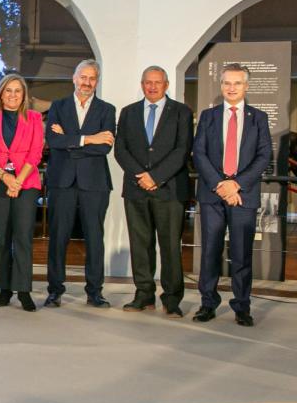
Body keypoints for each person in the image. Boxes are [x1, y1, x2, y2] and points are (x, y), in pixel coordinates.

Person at [192, 63, 271, 327]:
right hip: (213, 195)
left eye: (237, 83)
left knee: (241, 254)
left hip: (243, 196)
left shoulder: (258, 118)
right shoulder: (208, 116)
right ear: (221, 85)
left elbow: (264, 156)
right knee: (210, 252)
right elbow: (199, 153)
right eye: (227, 83)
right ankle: (207, 304)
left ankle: (242, 306)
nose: (231, 88)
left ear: (246, 87)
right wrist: (221, 185)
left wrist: (236, 185)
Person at [113, 66, 193, 318]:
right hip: (136, 190)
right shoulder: (128, 113)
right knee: (140, 245)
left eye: (157, 82)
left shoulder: (181, 112)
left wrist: (155, 177)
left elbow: (182, 150)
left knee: (169, 246)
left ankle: (171, 298)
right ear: (142, 84)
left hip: (169, 190)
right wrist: (142, 177)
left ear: (166, 85)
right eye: (148, 82)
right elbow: (121, 149)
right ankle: (144, 294)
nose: (152, 86)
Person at [44, 59, 116, 308]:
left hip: (94, 184)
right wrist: (88, 139)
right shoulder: (58, 106)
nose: (87, 82)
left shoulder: (107, 109)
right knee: (58, 238)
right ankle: (55, 290)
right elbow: (53, 141)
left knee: (95, 238)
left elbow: (105, 147)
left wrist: (71, 140)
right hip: (61, 181)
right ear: (74, 78)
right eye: (83, 77)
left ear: (97, 81)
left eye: (92, 78)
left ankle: (94, 292)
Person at [0, 74, 43, 312]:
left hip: (26, 184)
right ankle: (5, 289)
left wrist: (17, 180)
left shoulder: (35, 118)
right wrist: (4, 176)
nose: (13, 95)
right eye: (8, 91)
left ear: (24, 94)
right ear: (1, 93)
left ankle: (24, 291)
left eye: (18, 91)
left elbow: (36, 152)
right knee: (2, 239)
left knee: (23, 239)